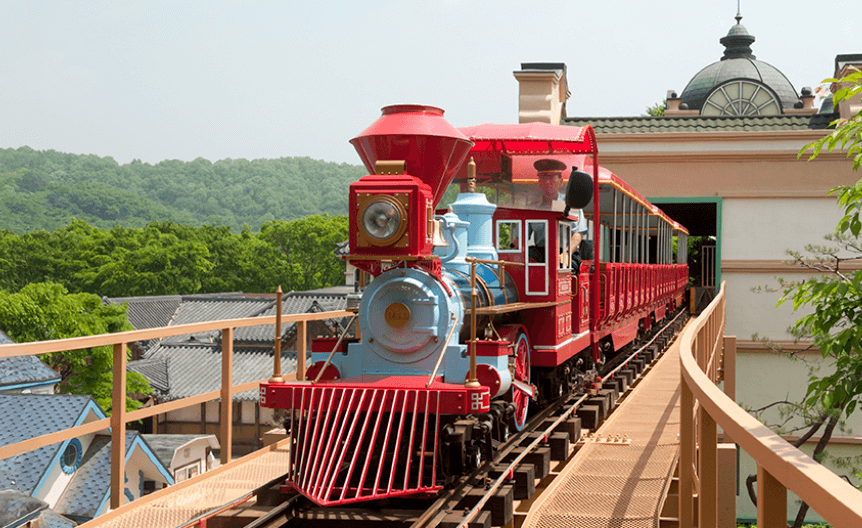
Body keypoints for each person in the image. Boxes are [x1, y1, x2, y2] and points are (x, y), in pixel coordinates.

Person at [528, 159, 589, 266]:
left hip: (566, 250)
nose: (547, 182)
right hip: (541, 252)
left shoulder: (571, 204)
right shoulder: (532, 207)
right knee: (527, 258)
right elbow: (519, 236)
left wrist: (566, 252)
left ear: (560, 181)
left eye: (552, 178)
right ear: (539, 182)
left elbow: (578, 233)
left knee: (563, 266)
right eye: (543, 178)